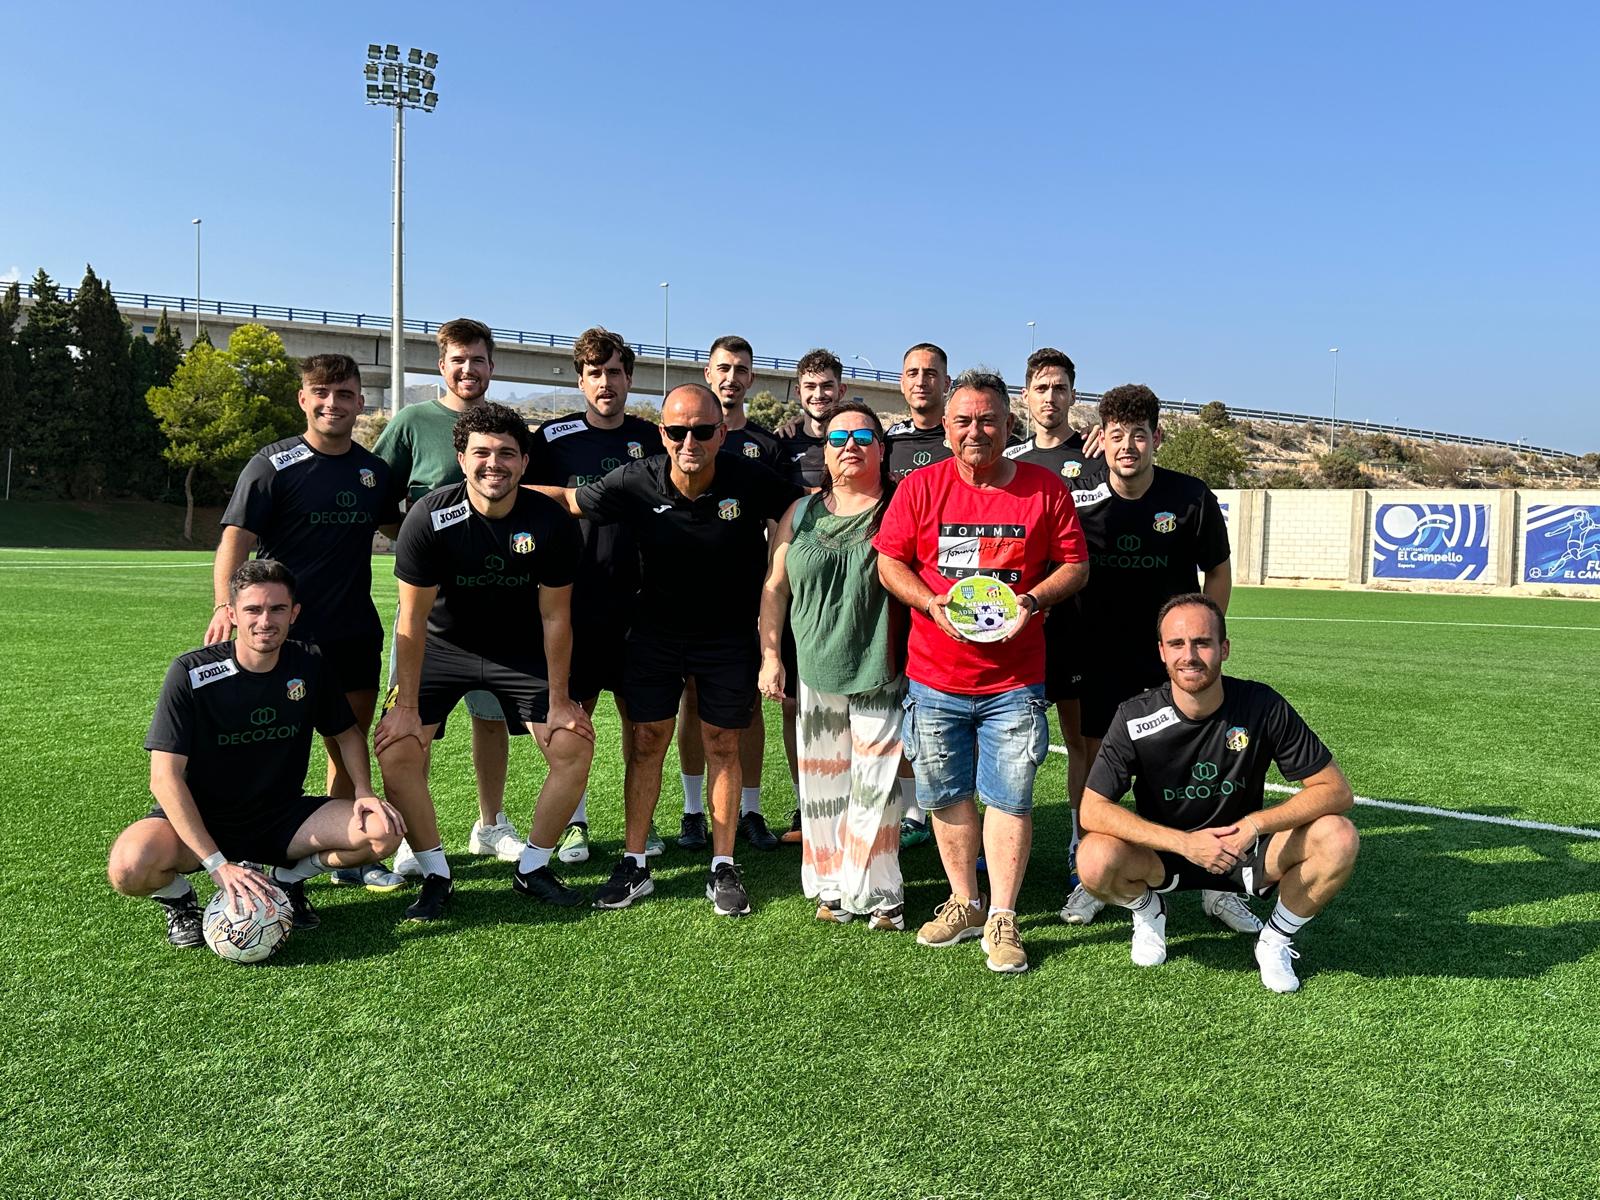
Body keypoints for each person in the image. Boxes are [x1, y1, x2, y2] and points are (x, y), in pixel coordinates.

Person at [530, 384, 801, 916]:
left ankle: (723, 865)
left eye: (703, 430)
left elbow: (800, 505)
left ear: (722, 433)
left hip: (728, 636)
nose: (690, 441)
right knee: (647, 740)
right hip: (652, 632)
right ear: (663, 434)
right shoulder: (636, 478)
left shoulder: (750, 479)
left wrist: (782, 555)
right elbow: (568, 500)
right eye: (677, 431)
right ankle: (635, 863)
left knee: (723, 744)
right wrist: (484, 491)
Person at [874, 369, 1089, 973]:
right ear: (945, 427)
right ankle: (964, 902)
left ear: (1007, 424)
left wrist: (1034, 601)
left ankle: (1003, 914)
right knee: (946, 796)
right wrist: (927, 601)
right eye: (964, 420)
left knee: (1011, 798)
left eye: (988, 420)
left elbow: (1075, 564)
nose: (976, 431)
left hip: (1015, 682)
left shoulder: (1046, 489)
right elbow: (890, 562)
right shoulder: (920, 487)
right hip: (935, 677)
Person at [108, 560, 406, 946]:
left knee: (384, 833)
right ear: (231, 614)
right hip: (204, 818)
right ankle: (180, 901)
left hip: (279, 817)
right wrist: (217, 865)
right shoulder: (191, 673)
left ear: (294, 613)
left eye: (277, 609)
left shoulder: (309, 663)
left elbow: (346, 733)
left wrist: (364, 792)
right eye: (253, 609)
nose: (265, 620)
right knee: (128, 867)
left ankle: (287, 880)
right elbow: (164, 778)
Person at [373, 403, 594, 921]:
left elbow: (556, 618)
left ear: (524, 462)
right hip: (442, 648)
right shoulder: (429, 518)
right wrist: (405, 704)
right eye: (481, 453)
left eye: (506, 454)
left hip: (519, 651)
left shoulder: (550, 520)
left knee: (573, 744)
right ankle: (434, 874)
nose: (493, 464)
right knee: (397, 749)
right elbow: (410, 621)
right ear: (461, 457)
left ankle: (534, 867)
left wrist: (560, 701)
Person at [1077, 593, 1360, 993]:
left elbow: (1336, 791)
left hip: (1245, 851)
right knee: (1092, 858)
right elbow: (1093, 810)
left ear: (1224, 648)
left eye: (1202, 642)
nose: (1189, 655)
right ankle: (1148, 911)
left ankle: (1275, 940)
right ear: (1161, 652)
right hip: (1167, 855)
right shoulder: (1135, 716)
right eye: (1176, 644)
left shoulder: (1262, 705)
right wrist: (1186, 844)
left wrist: (1254, 825)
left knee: (1339, 835)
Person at [206, 353, 404, 892]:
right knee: (261, 743)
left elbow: (401, 522)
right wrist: (227, 607)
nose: (332, 403)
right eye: (321, 392)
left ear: (361, 402)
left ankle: (344, 852)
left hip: (353, 633)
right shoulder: (273, 465)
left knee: (349, 742)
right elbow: (235, 542)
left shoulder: (373, 472)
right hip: (280, 635)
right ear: (303, 399)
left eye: (344, 394)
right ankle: (249, 849)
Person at [1055, 384, 1242, 933]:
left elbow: (1219, 569)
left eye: (1139, 435)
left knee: (1193, 760)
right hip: (1096, 653)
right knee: (1093, 762)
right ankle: (1091, 874)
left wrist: (1205, 633)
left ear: (1157, 438)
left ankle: (1217, 885)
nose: (1128, 447)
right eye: (1117, 436)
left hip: (1170, 660)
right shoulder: (1078, 491)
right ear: (1102, 440)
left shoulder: (1190, 496)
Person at [373, 318, 522, 869]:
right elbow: (379, 497)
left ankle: (490, 823)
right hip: (425, 613)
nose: (468, 369)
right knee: (411, 720)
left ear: (491, 366)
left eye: (478, 360)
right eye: (457, 360)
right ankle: (413, 837)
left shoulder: (506, 426)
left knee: (489, 718)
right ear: (441, 366)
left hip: (492, 608)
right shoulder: (413, 421)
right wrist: (414, 540)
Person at [759, 401, 906, 929]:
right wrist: (772, 655)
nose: (851, 446)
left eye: (864, 436)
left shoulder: (899, 505)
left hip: (879, 665)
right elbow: (775, 588)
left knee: (877, 783)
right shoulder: (800, 513)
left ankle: (880, 891)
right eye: (840, 437)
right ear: (824, 449)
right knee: (823, 783)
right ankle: (830, 886)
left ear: (881, 449)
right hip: (815, 667)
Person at [527, 327, 667, 866]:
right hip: (575, 601)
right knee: (572, 719)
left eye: (614, 372)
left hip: (641, 601)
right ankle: (575, 824)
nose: (605, 383)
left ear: (629, 378)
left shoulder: (653, 437)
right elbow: (526, 494)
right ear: (580, 379)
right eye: (594, 373)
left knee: (643, 722)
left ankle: (642, 822)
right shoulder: (553, 437)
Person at [675, 334, 782, 854]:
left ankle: (752, 810)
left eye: (741, 368)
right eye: (723, 367)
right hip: (684, 602)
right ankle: (693, 810)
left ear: (751, 378)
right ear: (708, 372)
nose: (731, 377)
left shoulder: (765, 445)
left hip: (744, 602)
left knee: (748, 708)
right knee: (691, 702)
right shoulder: (682, 436)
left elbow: (782, 521)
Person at [1002, 348, 1094, 903]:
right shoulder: (1007, 459)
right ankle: (1002, 846)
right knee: (1007, 739)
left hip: (1075, 624)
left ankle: (1080, 845)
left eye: (1060, 388)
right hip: (1012, 627)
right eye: (1041, 388)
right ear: (1026, 396)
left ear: (1073, 396)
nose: (1051, 398)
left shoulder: (1094, 459)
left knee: (1079, 741)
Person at [882, 342, 954, 850]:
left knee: (947, 704)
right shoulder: (887, 441)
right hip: (897, 591)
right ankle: (912, 807)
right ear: (902, 382)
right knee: (903, 702)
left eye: (932, 372)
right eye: (913, 373)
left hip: (959, 600)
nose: (922, 380)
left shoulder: (967, 438)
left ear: (946, 381)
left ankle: (948, 806)